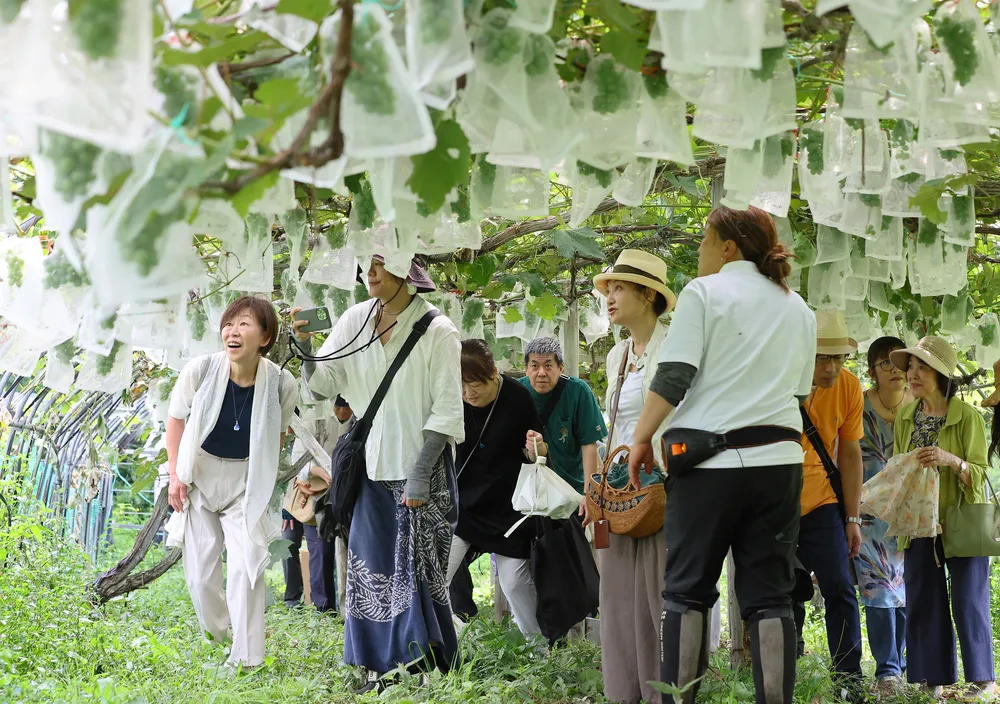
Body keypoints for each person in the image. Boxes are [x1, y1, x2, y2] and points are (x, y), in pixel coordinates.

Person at [629, 205, 816, 704]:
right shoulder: (799, 308)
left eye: (704, 241)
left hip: (709, 467)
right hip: (778, 467)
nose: (699, 251)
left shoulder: (704, 292)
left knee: (686, 590)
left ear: (728, 247)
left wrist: (641, 438)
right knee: (771, 596)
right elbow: (799, 394)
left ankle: (677, 700)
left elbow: (674, 376)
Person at [291, 255, 464, 693]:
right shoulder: (355, 319)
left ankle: (422, 670)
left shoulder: (439, 330)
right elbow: (323, 383)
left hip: (420, 471)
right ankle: (377, 670)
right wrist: (306, 347)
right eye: (366, 264)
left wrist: (419, 474)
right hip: (370, 468)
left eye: (380, 264)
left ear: (406, 271)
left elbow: (447, 410)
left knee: (417, 572)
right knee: (368, 570)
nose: (369, 273)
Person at [165, 295, 298, 668]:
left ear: (265, 337)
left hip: (245, 481)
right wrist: (175, 474)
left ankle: (247, 657)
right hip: (201, 476)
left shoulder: (281, 384)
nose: (232, 331)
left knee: (247, 567)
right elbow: (175, 418)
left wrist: (262, 481)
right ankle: (220, 637)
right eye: (228, 324)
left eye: (244, 324)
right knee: (200, 578)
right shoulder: (202, 370)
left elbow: (278, 433)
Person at [590, 249, 675, 704]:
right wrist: (599, 485)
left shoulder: (675, 346)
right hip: (622, 490)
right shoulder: (617, 356)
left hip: (663, 485)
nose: (610, 296)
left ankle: (665, 692)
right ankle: (624, 693)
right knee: (619, 595)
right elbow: (614, 428)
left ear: (647, 294)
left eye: (619, 288)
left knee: (660, 595)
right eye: (609, 289)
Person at [890, 336, 994, 700]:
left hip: (963, 519)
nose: (912, 374)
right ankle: (931, 679)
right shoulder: (905, 417)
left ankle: (983, 680)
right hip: (919, 521)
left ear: (941, 374)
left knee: (969, 600)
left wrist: (951, 460)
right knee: (924, 599)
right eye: (911, 367)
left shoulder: (967, 416)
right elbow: (898, 469)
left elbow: (981, 474)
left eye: (922, 367)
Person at [445, 339, 543, 637]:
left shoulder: (518, 397)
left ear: (493, 373)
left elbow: (537, 455)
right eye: (462, 385)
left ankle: (538, 648)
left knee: (514, 582)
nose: (468, 393)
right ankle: (444, 642)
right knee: (435, 577)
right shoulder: (450, 397)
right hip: (463, 505)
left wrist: (536, 448)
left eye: (475, 384)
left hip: (507, 508)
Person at [795, 310, 865, 699]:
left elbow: (850, 454)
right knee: (784, 589)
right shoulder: (777, 378)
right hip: (774, 501)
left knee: (839, 586)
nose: (831, 367)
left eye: (839, 358)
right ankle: (784, 671)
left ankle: (848, 680)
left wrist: (852, 517)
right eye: (823, 357)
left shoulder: (849, 387)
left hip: (823, 501)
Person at [854, 336, 910, 693]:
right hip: (867, 514)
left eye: (899, 361)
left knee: (905, 588)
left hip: (910, 514)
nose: (894, 369)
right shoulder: (857, 405)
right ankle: (887, 672)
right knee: (877, 589)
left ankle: (902, 666)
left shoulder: (919, 406)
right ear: (872, 370)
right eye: (884, 363)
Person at [282, 396, 356, 612]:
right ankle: (311, 604)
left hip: (339, 493)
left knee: (331, 548)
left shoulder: (357, 422)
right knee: (303, 544)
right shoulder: (314, 418)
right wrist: (321, 471)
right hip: (309, 493)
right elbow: (296, 462)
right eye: (340, 408)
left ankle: (335, 605)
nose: (344, 413)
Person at [519, 337, 607, 508]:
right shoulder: (518, 392)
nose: (541, 373)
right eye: (535, 366)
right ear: (526, 369)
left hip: (572, 489)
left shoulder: (578, 391)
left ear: (560, 368)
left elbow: (589, 444)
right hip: (530, 493)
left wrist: (589, 494)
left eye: (548, 366)